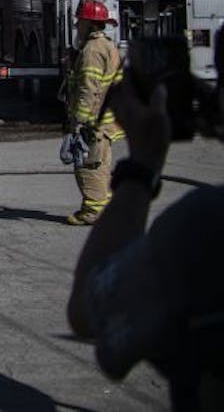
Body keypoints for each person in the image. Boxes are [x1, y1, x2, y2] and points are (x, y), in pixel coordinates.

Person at [67, 24, 224, 410]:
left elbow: (91, 311)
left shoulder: (203, 226)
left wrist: (143, 166)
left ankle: (93, 207)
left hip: (101, 131)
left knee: (94, 174)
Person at [62, 0, 124, 226]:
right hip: (105, 120)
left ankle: (92, 211)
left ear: (89, 23)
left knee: (89, 166)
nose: (77, 25)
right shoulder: (106, 45)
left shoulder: (92, 50)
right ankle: (105, 208)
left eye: (80, 21)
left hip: (94, 123)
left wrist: (80, 121)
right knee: (100, 165)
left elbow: (89, 88)